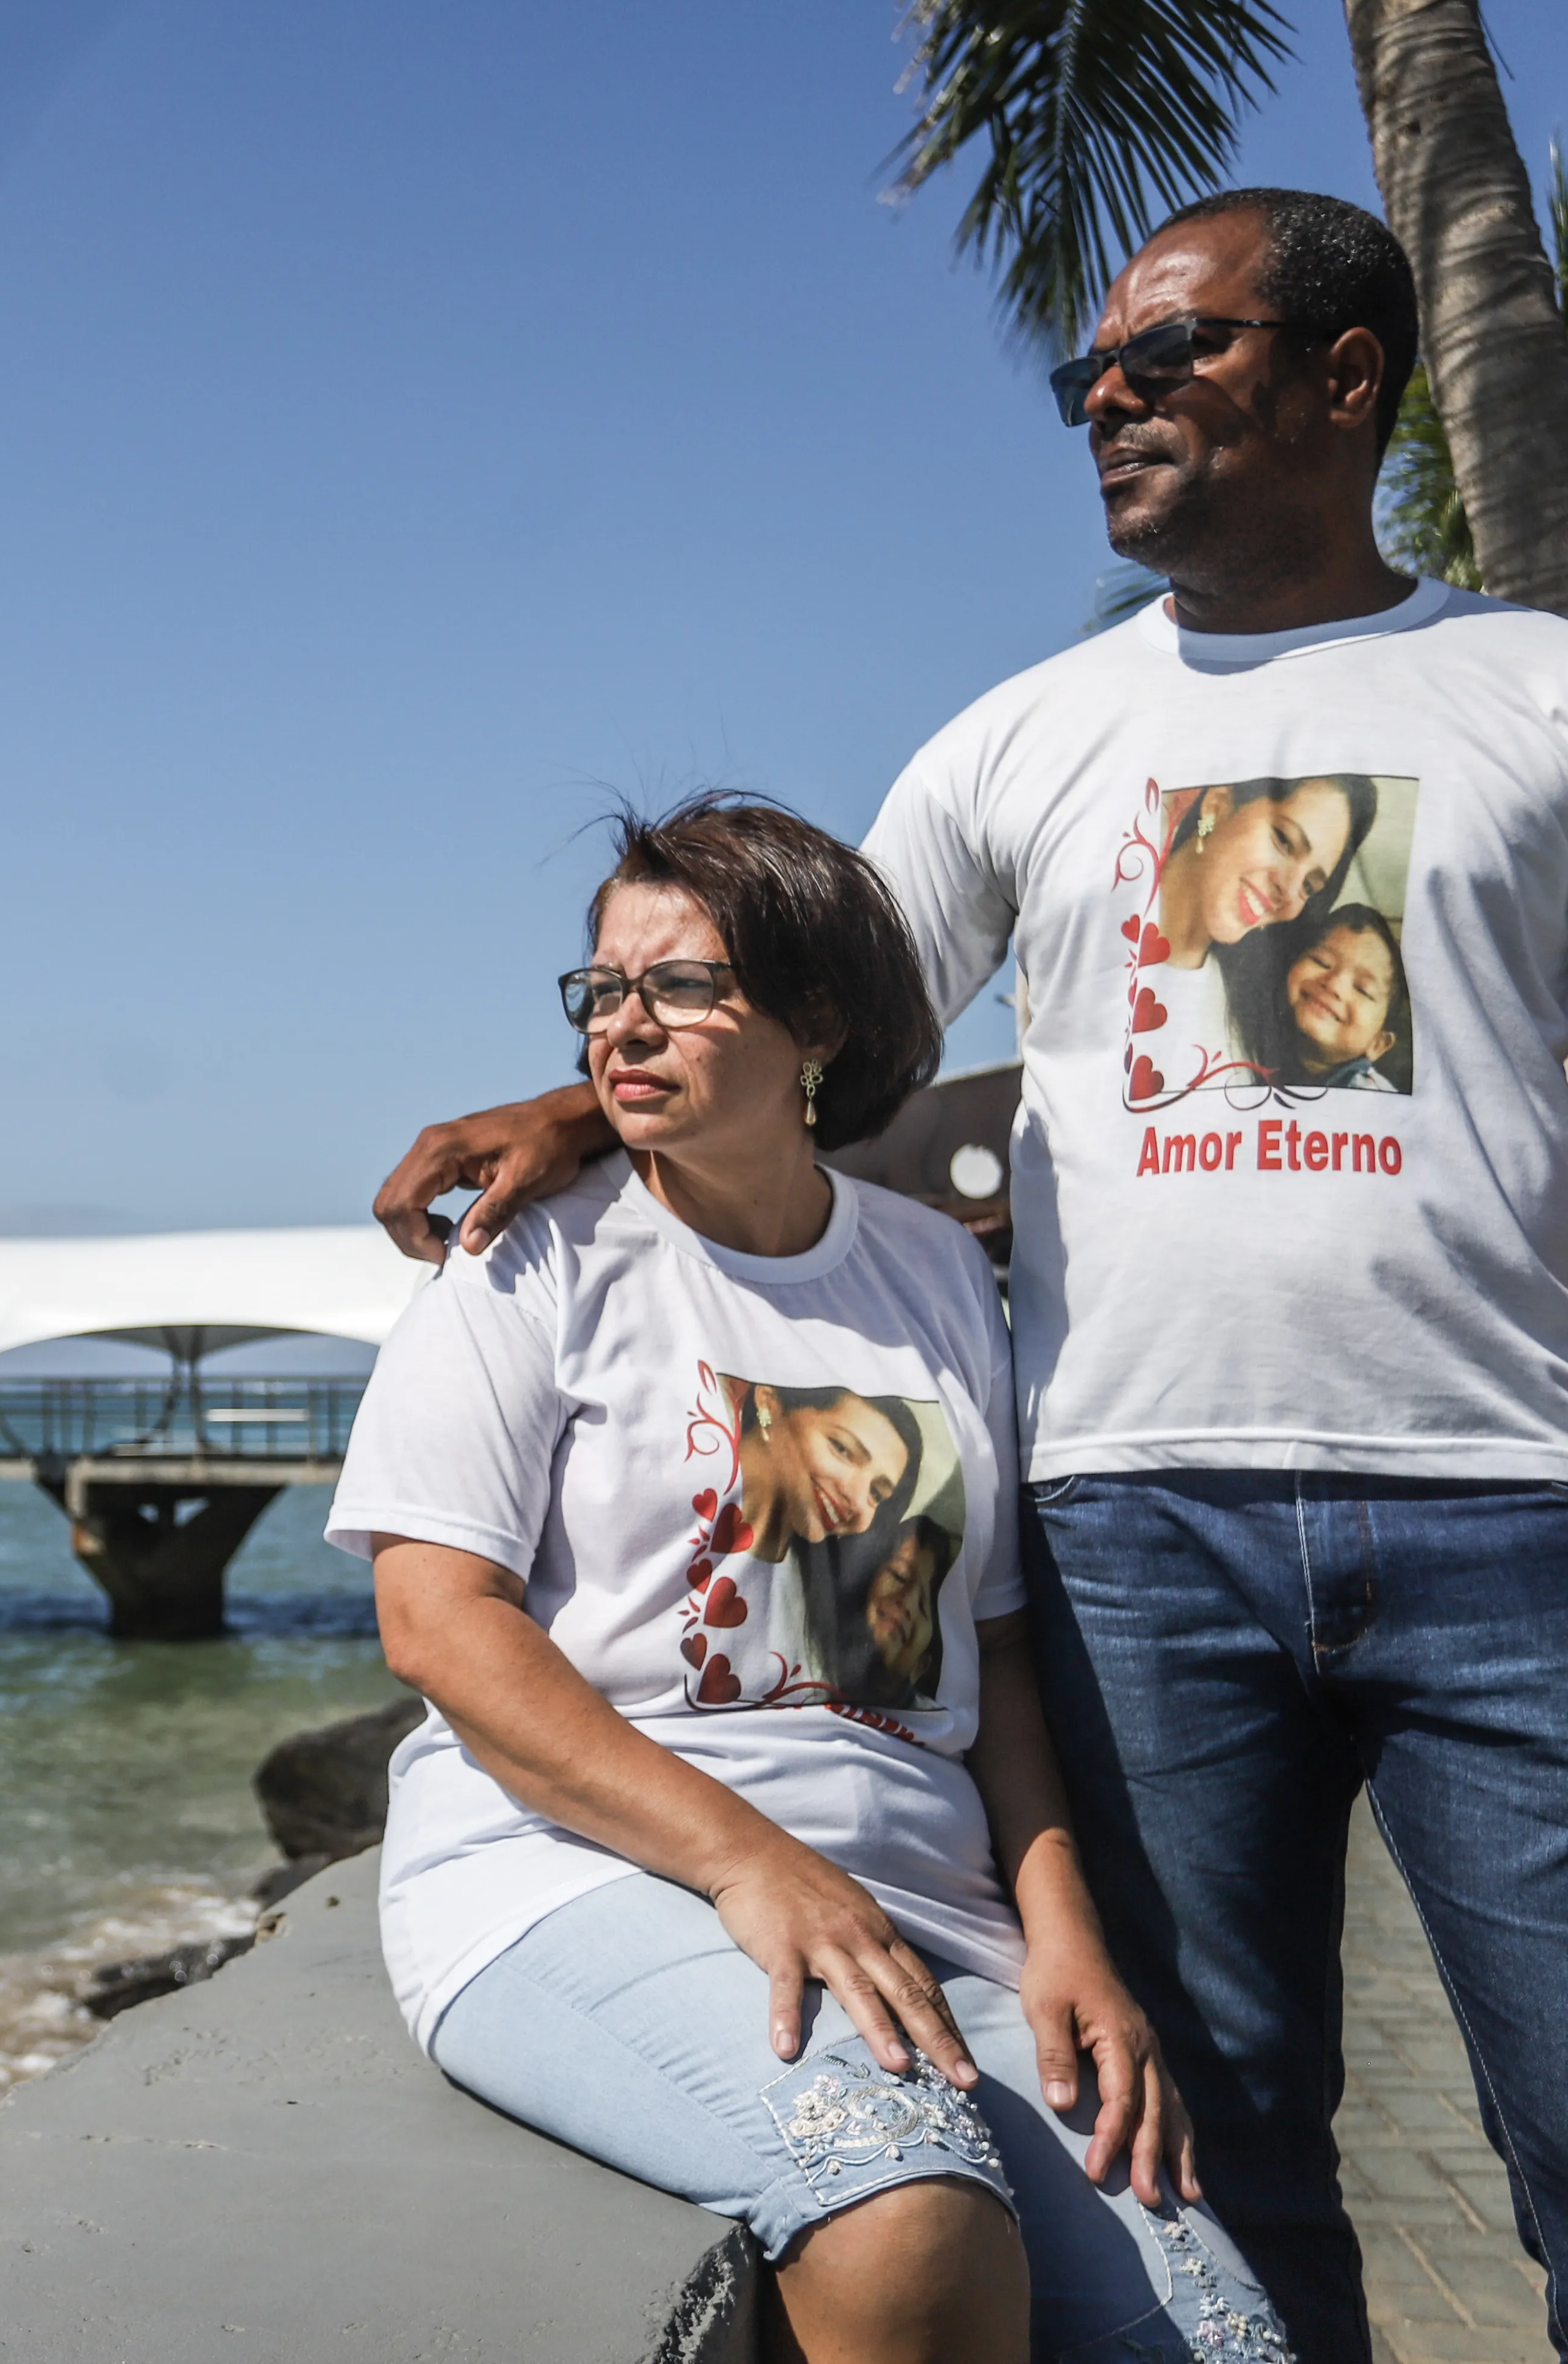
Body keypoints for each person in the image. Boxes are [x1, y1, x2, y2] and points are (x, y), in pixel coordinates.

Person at [372, 188, 1568, 2364]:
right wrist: (571, 1114)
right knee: (1220, 2157)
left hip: (1518, 1520)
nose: (1103, 396)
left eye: (1166, 355)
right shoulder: (1019, 740)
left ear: (1345, 377)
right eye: (1084, 373)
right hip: (1125, 1538)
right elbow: (799, 1016)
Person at [338, 797, 1285, 2364]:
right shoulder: (529, 1260)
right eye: (599, 990)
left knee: (1222, 2341)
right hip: (578, 1875)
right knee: (905, 2215)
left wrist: (1064, 1939)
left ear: (815, 1024)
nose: (619, 1026)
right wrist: (743, 1863)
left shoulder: (929, 1274)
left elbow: (986, 1672)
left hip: (916, 1915)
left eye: (678, 986)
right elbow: (434, 1622)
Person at [1137, 777, 1372, 1091]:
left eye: (1308, 887)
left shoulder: (1248, 1032)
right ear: (1217, 805)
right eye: (1284, 840)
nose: (1289, 891)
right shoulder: (1103, 918)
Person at [1271, 905, 1407, 1092]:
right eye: (1321, 961)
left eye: (1362, 989)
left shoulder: (1372, 1103)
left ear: (1378, 1044)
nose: (1334, 984)